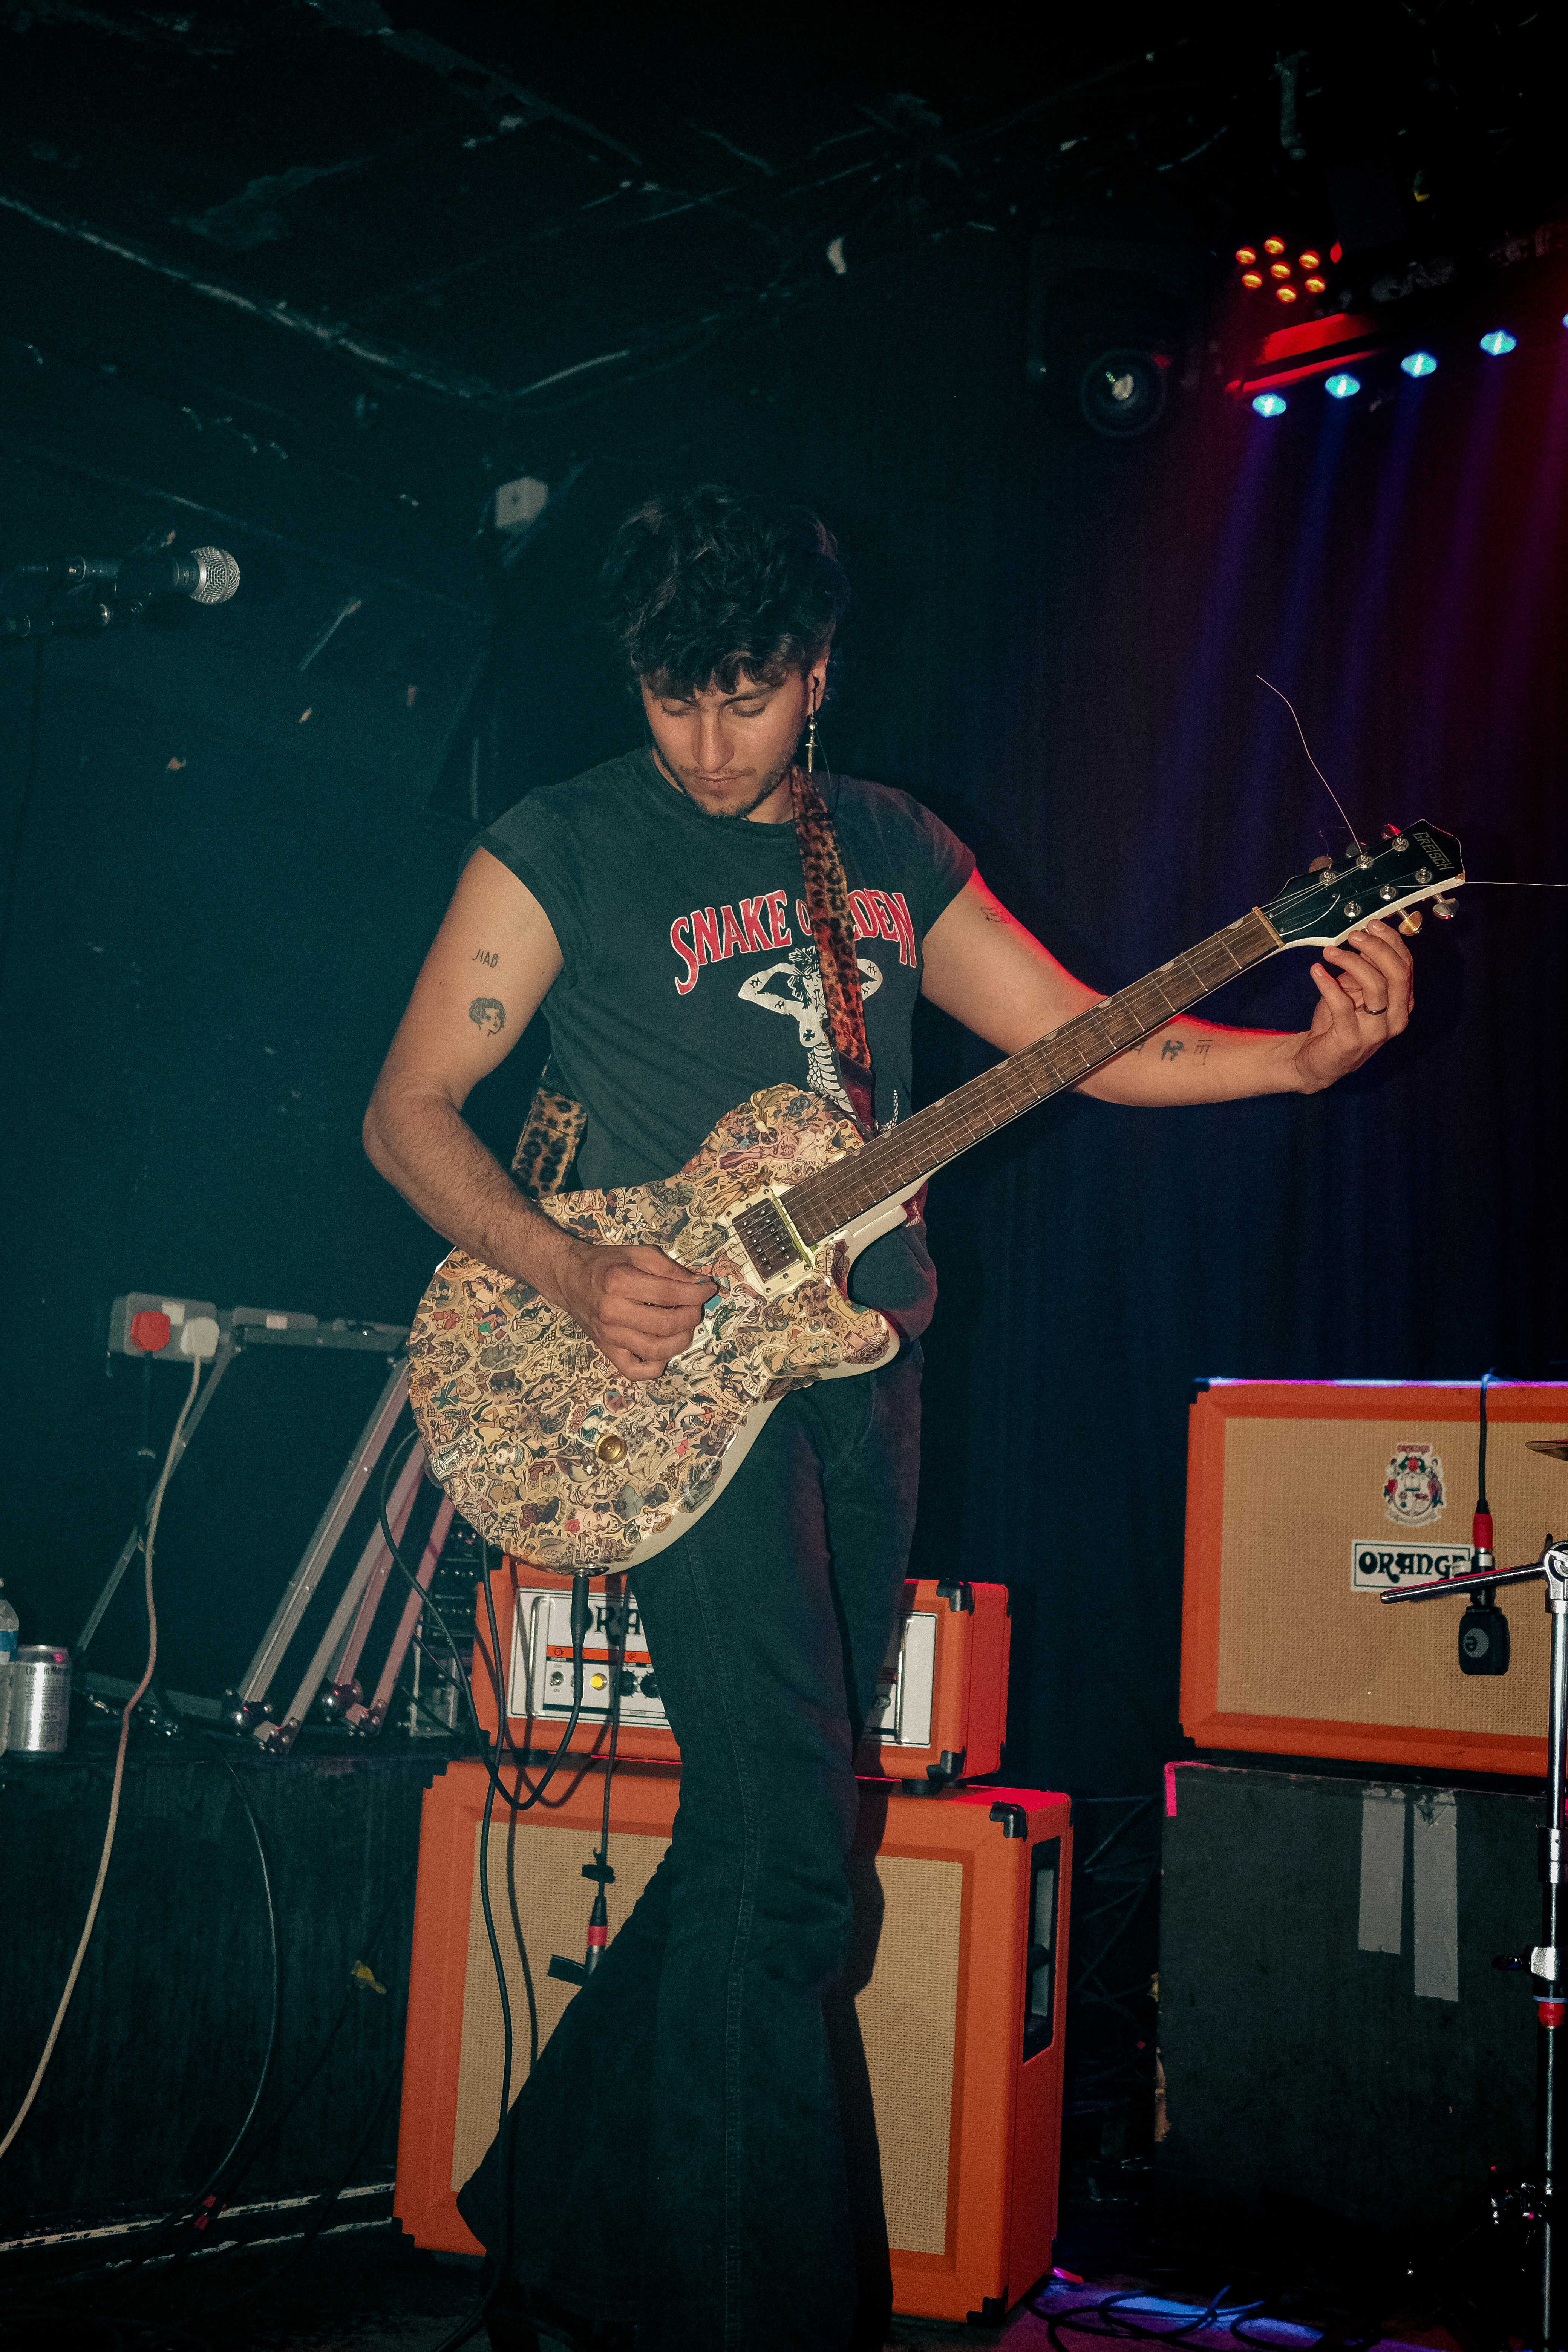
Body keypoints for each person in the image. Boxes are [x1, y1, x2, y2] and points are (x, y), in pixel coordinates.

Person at [362, 487, 1413, 2352]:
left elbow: (1096, 1038)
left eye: (747, 697)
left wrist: (1301, 1059)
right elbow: (409, 1113)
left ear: (818, 674)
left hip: (857, 1369)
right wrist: (564, 1271)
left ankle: (549, 2213)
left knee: (773, 1842)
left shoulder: (891, 853)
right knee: (778, 1853)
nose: (704, 740)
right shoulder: (559, 846)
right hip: (653, 1373)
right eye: (675, 697)